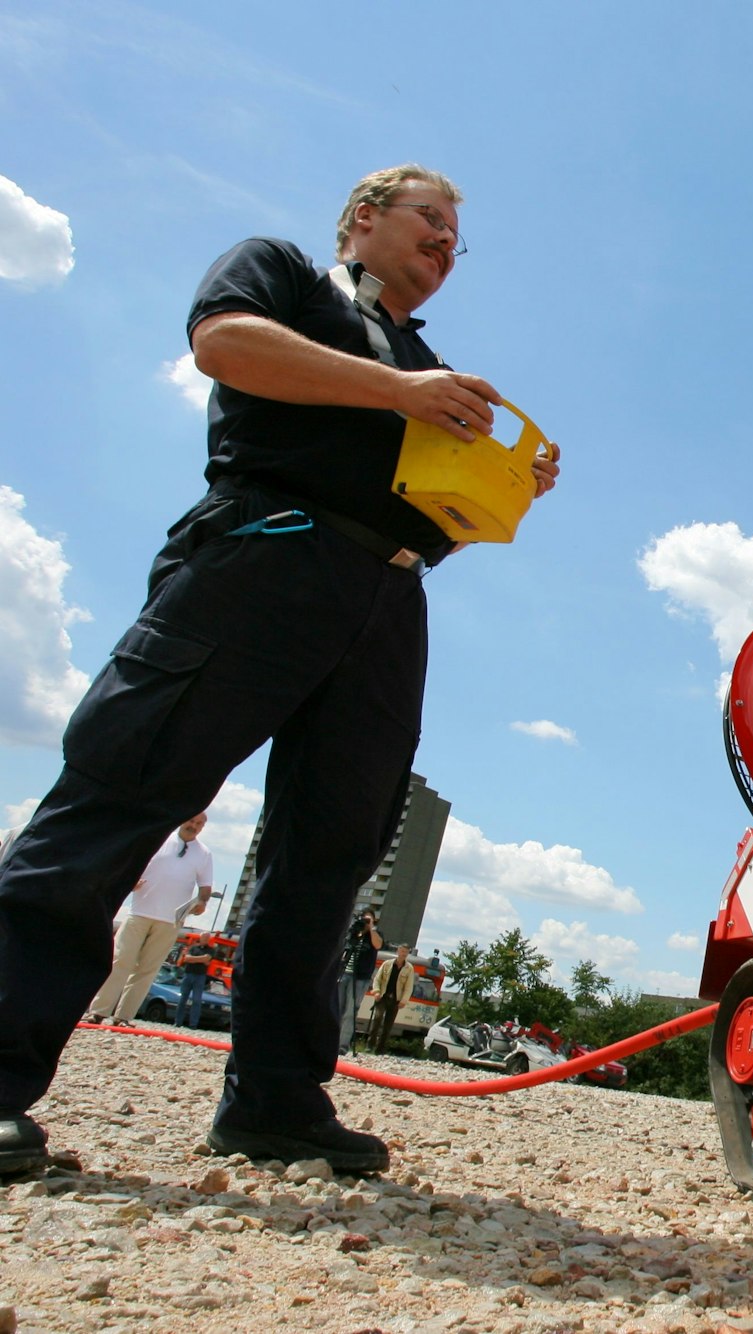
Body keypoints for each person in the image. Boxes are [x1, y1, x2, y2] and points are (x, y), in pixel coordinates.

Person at [0, 164, 560, 1181]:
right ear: (362, 217)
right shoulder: (288, 277)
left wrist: (497, 483)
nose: (443, 244)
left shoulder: (428, 361)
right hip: (265, 553)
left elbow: (430, 518)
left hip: (386, 598)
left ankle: (276, 1101)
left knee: (331, 852)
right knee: (122, 792)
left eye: (454, 238)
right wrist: (401, 393)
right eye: (428, 221)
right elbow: (224, 343)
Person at [85, 814, 214, 1026]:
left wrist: (201, 902)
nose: (194, 826)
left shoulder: (204, 854)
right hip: (140, 912)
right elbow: (132, 864)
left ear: (203, 827)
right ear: (183, 820)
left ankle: (124, 1017)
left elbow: (205, 887)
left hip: (171, 920)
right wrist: (130, 881)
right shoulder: (159, 839)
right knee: (120, 961)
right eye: (191, 821)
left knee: (147, 969)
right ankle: (98, 1011)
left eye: (199, 824)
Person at [338, 909, 383, 1055]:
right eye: (364, 919)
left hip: (360, 977)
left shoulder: (374, 935)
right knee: (337, 1008)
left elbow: (378, 945)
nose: (365, 922)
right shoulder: (355, 931)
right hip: (344, 973)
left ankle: (342, 1045)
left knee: (350, 1011)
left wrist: (371, 928)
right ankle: (329, 1040)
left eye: (368, 919)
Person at [364, 944, 416, 1055]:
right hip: (382, 997)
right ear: (398, 951)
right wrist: (376, 991)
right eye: (402, 951)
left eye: (406, 952)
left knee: (388, 1026)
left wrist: (404, 1000)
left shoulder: (409, 968)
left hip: (395, 1000)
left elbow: (408, 986)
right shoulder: (387, 964)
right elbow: (377, 979)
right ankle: (370, 1045)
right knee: (377, 1019)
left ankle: (380, 1049)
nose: (403, 954)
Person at [174, 938, 217, 1028]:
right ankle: (178, 1022)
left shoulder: (211, 950)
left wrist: (193, 959)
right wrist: (201, 959)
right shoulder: (193, 948)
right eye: (204, 938)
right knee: (183, 999)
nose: (205, 940)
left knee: (196, 1000)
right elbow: (186, 959)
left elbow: (207, 959)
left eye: (207, 938)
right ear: (201, 938)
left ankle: (193, 1024)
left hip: (200, 976)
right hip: (188, 974)